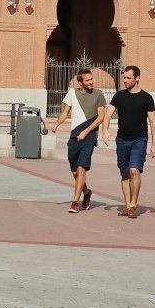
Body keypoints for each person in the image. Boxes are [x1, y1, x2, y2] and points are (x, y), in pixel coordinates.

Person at [46, 70, 109, 213]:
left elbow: (101, 117)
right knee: (75, 172)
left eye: (92, 79)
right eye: (87, 80)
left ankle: (75, 202)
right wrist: (57, 124)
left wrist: (86, 131)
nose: (91, 82)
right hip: (74, 136)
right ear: (80, 83)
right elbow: (65, 112)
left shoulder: (98, 94)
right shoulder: (72, 93)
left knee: (81, 168)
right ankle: (86, 193)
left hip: (89, 136)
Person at [109, 64, 155, 217]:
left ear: (137, 78)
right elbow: (108, 113)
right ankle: (127, 203)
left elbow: (152, 122)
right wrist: (104, 130)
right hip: (122, 140)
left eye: (128, 78)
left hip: (139, 139)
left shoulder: (146, 98)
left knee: (134, 170)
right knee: (124, 174)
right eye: (124, 77)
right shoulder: (119, 96)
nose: (125, 80)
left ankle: (133, 205)